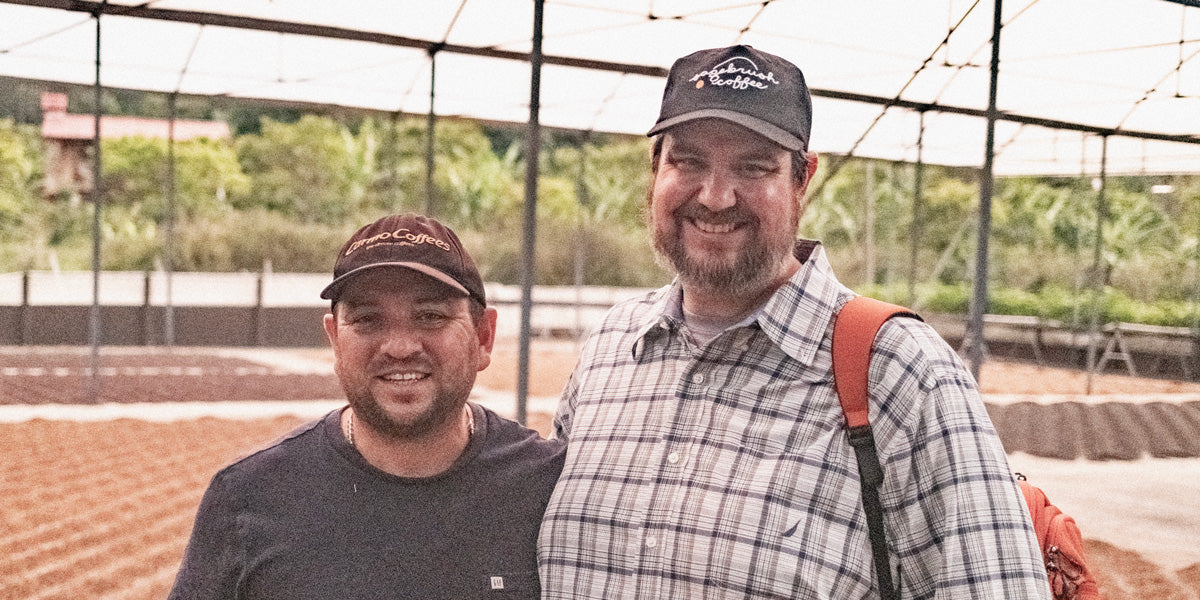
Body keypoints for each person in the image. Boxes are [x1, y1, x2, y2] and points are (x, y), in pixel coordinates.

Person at [537, 45, 1050, 598]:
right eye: (688, 161)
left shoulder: (902, 373)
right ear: (655, 169)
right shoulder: (611, 349)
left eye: (754, 167)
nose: (715, 196)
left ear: (801, 180)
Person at [168, 213, 564, 600]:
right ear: (335, 340)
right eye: (368, 319)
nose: (400, 346)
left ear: (484, 336)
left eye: (430, 316)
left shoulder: (551, 488)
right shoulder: (246, 497)